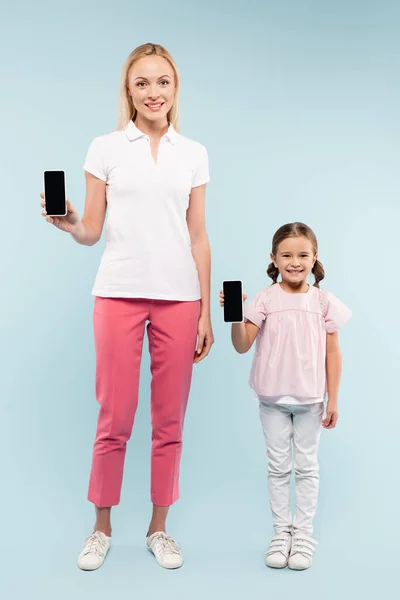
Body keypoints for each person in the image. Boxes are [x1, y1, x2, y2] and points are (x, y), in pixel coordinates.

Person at [41, 42, 214, 571]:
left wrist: (207, 310)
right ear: (129, 91)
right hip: (117, 292)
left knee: (170, 419)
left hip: (180, 299)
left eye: (162, 81)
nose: (153, 92)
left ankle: (159, 530)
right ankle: (101, 527)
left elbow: (199, 235)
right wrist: (71, 225)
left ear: (175, 88)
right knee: (114, 414)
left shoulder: (194, 153)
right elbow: (92, 230)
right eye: (142, 83)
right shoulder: (106, 148)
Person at [220, 222, 351, 570]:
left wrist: (333, 399)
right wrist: (234, 316)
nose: (295, 262)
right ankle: (282, 533)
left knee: (306, 468)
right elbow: (241, 345)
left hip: (310, 400)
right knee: (278, 468)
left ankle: (303, 535)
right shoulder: (264, 298)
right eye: (287, 255)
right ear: (274, 258)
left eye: (302, 255)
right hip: (272, 398)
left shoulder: (323, 301)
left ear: (314, 258)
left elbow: (333, 353)